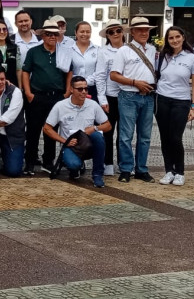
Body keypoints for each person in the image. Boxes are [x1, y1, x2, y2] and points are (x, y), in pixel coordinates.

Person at [20, 18, 72, 176]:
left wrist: (67, 92)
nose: (52, 37)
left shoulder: (63, 52)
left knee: (51, 131)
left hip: (57, 97)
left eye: (55, 34)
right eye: (48, 34)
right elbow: (25, 72)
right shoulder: (33, 52)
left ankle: (48, 162)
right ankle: (29, 163)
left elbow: (70, 72)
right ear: (42, 35)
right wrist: (28, 93)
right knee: (33, 131)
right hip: (37, 96)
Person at [110, 16, 158, 183]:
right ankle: (125, 169)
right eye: (140, 30)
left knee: (145, 136)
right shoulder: (124, 50)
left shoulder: (152, 50)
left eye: (146, 30)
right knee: (126, 135)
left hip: (148, 97)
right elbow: (114, 75)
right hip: (129, 96)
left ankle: (141, 169)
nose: (144, 32)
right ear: (132, 32)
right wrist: (134, 83)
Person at [43, 75, 111, 188]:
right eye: (80, 89)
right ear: (71, 89)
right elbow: (46, 128)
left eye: (86, 88)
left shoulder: (93, 104)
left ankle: (98, 175)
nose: (84, 92)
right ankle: (75, 167)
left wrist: (94, 128)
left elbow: (108, 125)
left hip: (87, 144)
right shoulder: (60, 106)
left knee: (99, 138)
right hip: (71, 145)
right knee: (74, 164)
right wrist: (65, 141)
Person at [155, 26, 194, 187]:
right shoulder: (162, 56)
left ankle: (179, 172)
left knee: (175, 137)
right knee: (164, 137)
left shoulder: (192, 58)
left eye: (177, 37)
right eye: (171, 38)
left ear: (183, 37)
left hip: (181, 101)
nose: (174, 40)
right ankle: (169, 171)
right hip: (162, 99)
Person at [95, 20, 125, 177]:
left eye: (118, 30)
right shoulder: (103, 52)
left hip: (127, 96)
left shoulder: (130, 49)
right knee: (108, 131)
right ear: (107, 35)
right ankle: (107, 162)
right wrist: (102, 99)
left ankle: (124, 163)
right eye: (111, 32)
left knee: (125, 132)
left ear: (122, 32)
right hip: (110, 96)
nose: (115, 34)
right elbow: (100, 76)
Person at [68, 21, 99, 100]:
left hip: (92, 89)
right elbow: (67, 71)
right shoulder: (69, 50)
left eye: (88, 32)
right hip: (73, 89)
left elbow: (99, 71)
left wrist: (86, 83)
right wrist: (77, 83)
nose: (85, 34)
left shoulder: (98, 50)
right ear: (76, 33)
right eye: (82, 31)